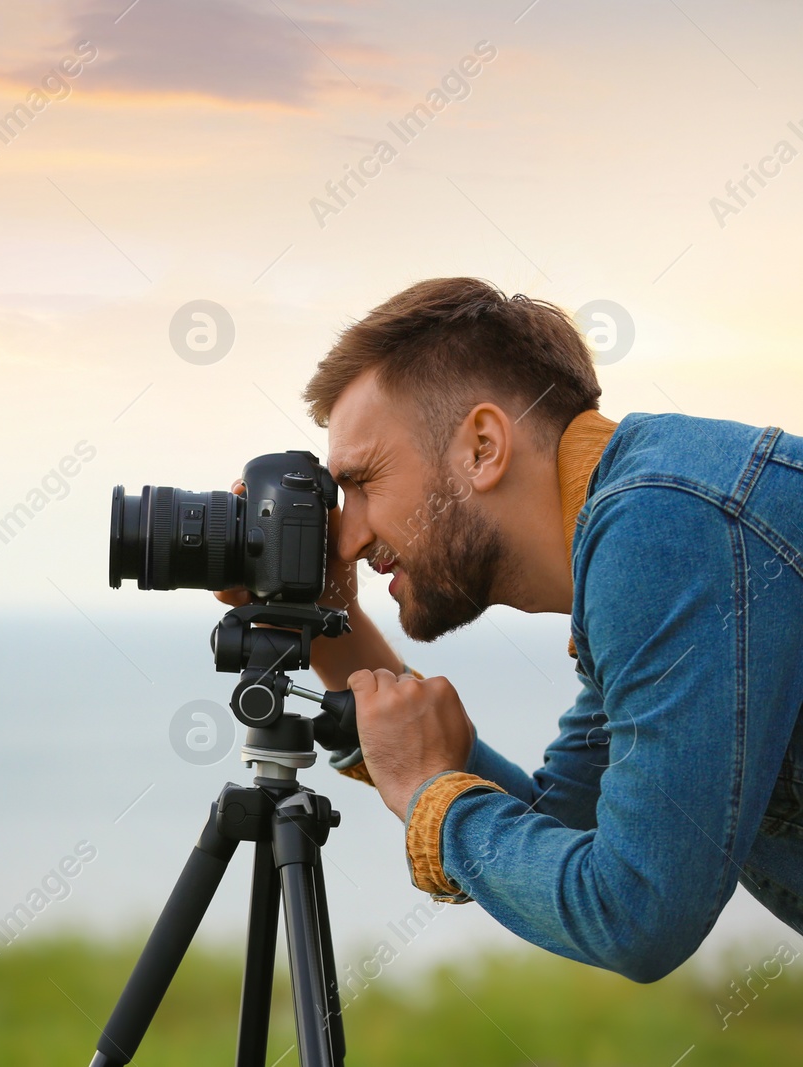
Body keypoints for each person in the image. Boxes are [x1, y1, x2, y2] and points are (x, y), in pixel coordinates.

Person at [222, 277, 803, 983]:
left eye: (364, 481)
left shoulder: (663, 528)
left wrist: (429, 787)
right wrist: (322, 625)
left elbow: (635, 914)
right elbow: (558, 828)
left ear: (484, 446)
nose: (348, 536)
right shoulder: (639, 530)